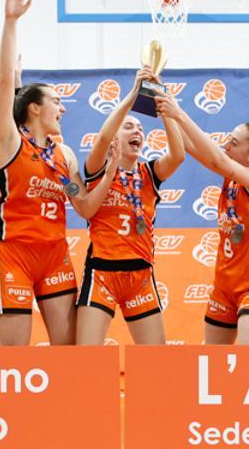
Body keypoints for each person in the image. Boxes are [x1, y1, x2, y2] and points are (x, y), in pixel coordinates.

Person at [0, 0, 118, 345]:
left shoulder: (65, 154)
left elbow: (85, 206)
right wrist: (11, 22)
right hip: (13, 252)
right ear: (34, 107)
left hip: (54, 254)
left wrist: (110, 173)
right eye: (56, 101)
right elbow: (2, 83)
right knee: (14, 359)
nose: (62, 107)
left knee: (68, 353)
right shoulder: (8, 141)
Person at [155, 92, 249, 344]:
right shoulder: (230, 176)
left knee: (248, 367)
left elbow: (219, 159)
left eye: (233, 142)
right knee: (215, 367)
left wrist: (178, 113)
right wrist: (163, 109)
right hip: (224, 285)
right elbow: (186, 144)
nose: (226, 145)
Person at [76, 66, 185, 345]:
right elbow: (102, 138)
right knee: (86, 358)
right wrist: (134, 94)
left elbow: (178, 155)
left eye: (140, 128)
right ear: (115, 136)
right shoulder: (98, 167)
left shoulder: (149, 173)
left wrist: (163, 105)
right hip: (102, 272)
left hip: (140, 275)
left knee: (155, 363)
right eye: (128, 126)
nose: (137, 130)